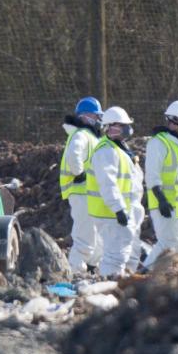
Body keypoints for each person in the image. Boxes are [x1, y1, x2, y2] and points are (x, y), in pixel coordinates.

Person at [86, 106, 144, 277]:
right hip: (111, 213)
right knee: (115, 256)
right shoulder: (106, 151)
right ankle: (109, 287)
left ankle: (123, 285)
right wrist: (118, 208)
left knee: (128, 254)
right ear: (110, 127)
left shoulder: (120, 149)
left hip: (122, 211)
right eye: (122, 124)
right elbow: (108, 184)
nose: (127, 128)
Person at [142, 100, 178, 269]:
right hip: (163, 203)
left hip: (177, 204)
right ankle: (146, 272)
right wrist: (161, 200)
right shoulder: (159, 142)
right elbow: (152, 174)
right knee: (167, 242)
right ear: (175, 121)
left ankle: (159, 274)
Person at [59, 96, 103, 274]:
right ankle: (75, 270)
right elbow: (73, 155)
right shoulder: (81, 135)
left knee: (95, 233)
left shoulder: (90, 136)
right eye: (95, 115)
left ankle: (92, 266)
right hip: (81, 191)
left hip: (90, 192)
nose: (98, 120)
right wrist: (80, 174)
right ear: (85, 116)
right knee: (85, 235)